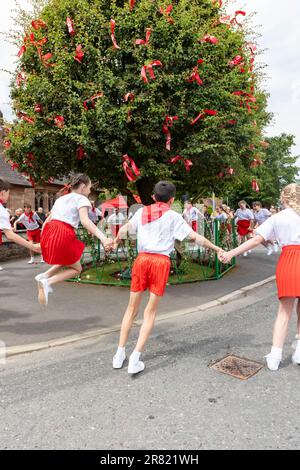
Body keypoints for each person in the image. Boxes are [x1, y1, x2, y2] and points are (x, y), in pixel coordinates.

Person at [112, 181, 223, 375]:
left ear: (154, 197)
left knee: (131, 308)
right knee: (150, 311)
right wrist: (216, 248)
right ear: (172, 199)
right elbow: (195, 237)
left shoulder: (141, 212)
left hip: (142, 260)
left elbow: (123, 230)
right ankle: (135, 358)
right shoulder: (173, 216)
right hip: (160, 263)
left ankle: (119, 354)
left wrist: (115, 241)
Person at [219, 183, 300, 371]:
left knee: (284, 311)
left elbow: (256, 239)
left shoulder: (277, 217)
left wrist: (231, 253)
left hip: (288, 261)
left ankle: (275, 355)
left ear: (284, 198)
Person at [36, 174, 113, 306]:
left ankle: (44, 276)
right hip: (64, 232)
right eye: (89, 188)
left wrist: (44, 240)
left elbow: (46, 222)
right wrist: (103, 238)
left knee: (68, 259)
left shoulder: (60, 199)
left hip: (51, 231)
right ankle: (47, 281)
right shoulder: (82, 199)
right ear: (83, 187)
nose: (90, 191)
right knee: (77, 269)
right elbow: (85, 220)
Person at [0, 179, 41, 272]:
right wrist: (33, 247)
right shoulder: (2, 211)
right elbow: (10, 235)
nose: (9, 196)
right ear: (2, 193)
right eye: (8, 193)